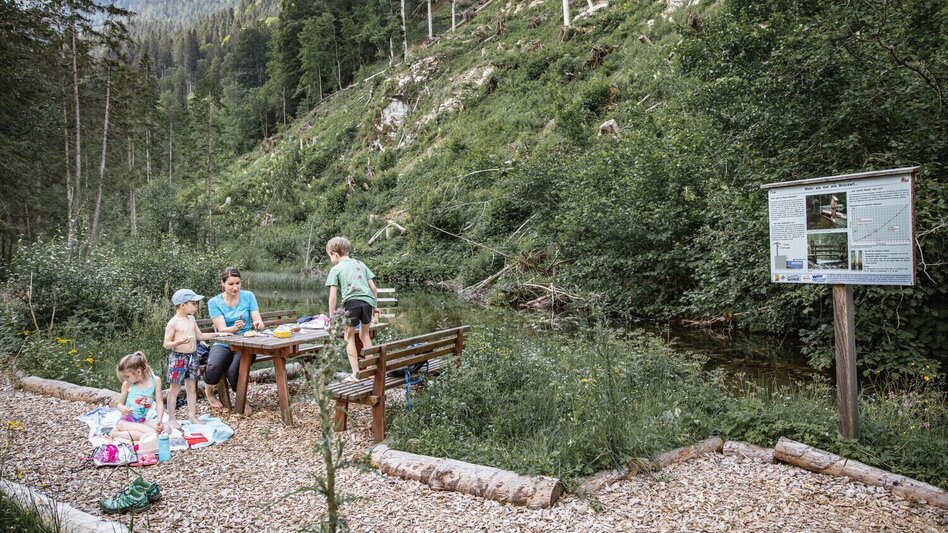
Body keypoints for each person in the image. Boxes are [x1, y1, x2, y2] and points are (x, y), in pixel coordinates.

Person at [163, 289, 231, 428]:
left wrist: (219, 334)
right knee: (175, 389)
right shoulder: (173, 322)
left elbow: (200, 336)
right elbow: (166, 344)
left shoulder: (192, 319)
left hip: (193, 357)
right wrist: (179, 342)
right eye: (193, 303)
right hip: (178, 358)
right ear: (183, 305)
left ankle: (193, 416)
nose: (196, 306)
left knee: (191, 388)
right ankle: (171, 418)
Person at [204, 267, 264, 410]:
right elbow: (222, 329)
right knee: (214, 367)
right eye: (231, 284)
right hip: (224, 342)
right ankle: (209, 393)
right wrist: (234, 328)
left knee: (233, 371)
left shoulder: (248, 296)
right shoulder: (214, 302)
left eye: (238, 283)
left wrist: (258, 323)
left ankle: (241, 399)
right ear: (222, 283)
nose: (235, 287)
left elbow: (257, 318)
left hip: (246, 344)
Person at [325, 237, 379, 382]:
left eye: (330, 255)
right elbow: (373, 288)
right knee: (365, 335)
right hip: (368, 302)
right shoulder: (361, 264)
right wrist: (374, 307)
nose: (331, 258)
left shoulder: (335, 269)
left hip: (352, 303)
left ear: (334, 254)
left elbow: (332, 297)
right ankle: (371, 371)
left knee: (348, 338)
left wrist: (332, 318)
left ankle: (356, 374)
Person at [112, 351, 164, 440]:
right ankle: (115, 434)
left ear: (138, 372)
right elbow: (119, 404)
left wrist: (159, 420)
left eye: (127, 376)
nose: (125, 379)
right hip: (125, 422)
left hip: (141, 421)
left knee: (166, 429)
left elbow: (159, 403)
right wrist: (122, 408)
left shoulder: (155, 381)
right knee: (153, 433)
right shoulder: (127, 384)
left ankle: (130, 433)